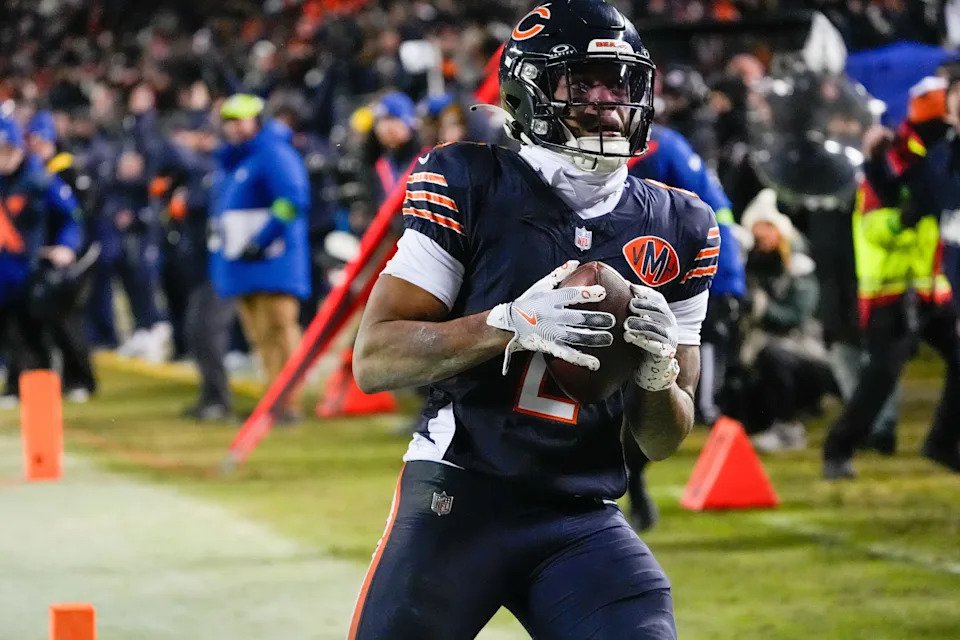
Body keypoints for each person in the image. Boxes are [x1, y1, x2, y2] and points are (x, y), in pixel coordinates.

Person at [348, 2, 718, 637]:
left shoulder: (682, 224)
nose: (608, 102)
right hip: (461, 493)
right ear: (528, 92)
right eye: (583, 82)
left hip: (580, 511)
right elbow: (374, 359)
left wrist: (657, 374)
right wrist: (511, 323)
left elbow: (662, 440)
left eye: (621, 84)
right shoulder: (471, 181)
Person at [823, 76, 960, 479]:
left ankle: (942, 443)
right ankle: (837, 450)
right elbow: (871, 227)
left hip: (929, 288)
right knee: (880, 377)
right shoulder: (888, 161)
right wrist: (903, 221)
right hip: (892, 291)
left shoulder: (930, 161)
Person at [625, 123, 746, 530]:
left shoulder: (659, 147)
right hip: (660, 274)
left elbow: (706, 217)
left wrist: (727, 280)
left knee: (657, 392)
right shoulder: (670, 145)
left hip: (665, 281)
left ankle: (632, 480)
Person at [209, 94, 311, 424]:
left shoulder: (274, 153)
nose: (234, 127)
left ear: (258, 120)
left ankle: (288, 403)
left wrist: (263, 239)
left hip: (273, 261)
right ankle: (273, 399)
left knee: (279, 330)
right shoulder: (236, 159)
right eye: (229, 121)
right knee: (259, 336)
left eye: (240, 120)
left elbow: (292, 200)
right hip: (244, 262)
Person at [737, 189, 834, 452]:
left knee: (773, 356)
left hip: (804, 353)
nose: (762, 234)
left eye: (767, 227)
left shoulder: (797, 264)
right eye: (757, 228)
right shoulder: (750, 264)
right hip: (760, 351)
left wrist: (762, 308)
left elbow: (796, 315)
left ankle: (789, 428)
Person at [0, 115, 81, 405]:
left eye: (6, 150)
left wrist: (66, 246)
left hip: (31, 269)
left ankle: (52, 386)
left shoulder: (39, 179)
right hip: (3, 271)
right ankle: (15, 384)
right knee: (7, 333)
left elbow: (70, 217)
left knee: (40, 331)